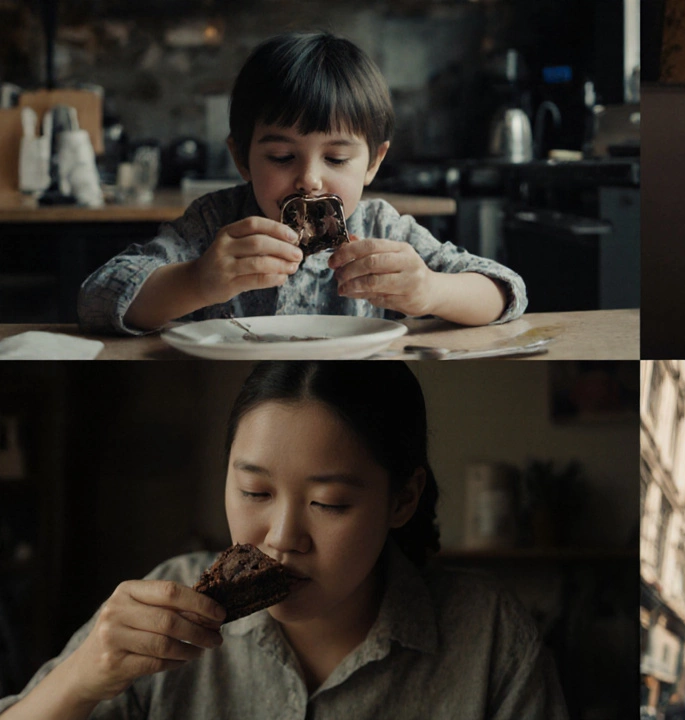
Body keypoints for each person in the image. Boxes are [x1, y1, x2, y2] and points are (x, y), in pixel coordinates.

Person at [0, 362, 567, 719]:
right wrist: (79, 679)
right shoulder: (161, 609)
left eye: (329, 503)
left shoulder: (488, 637)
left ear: (403, 498)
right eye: (254, 492)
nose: (281, 538)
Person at [78, 33, 527, 335]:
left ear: (373, 163)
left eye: (336, 158)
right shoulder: (214, 224)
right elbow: (96, 298)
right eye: (281, 157)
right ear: (242, 158)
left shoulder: (384, 230)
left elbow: (507, 292)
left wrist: (430, 289)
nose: (309, 179)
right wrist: (197, 281)